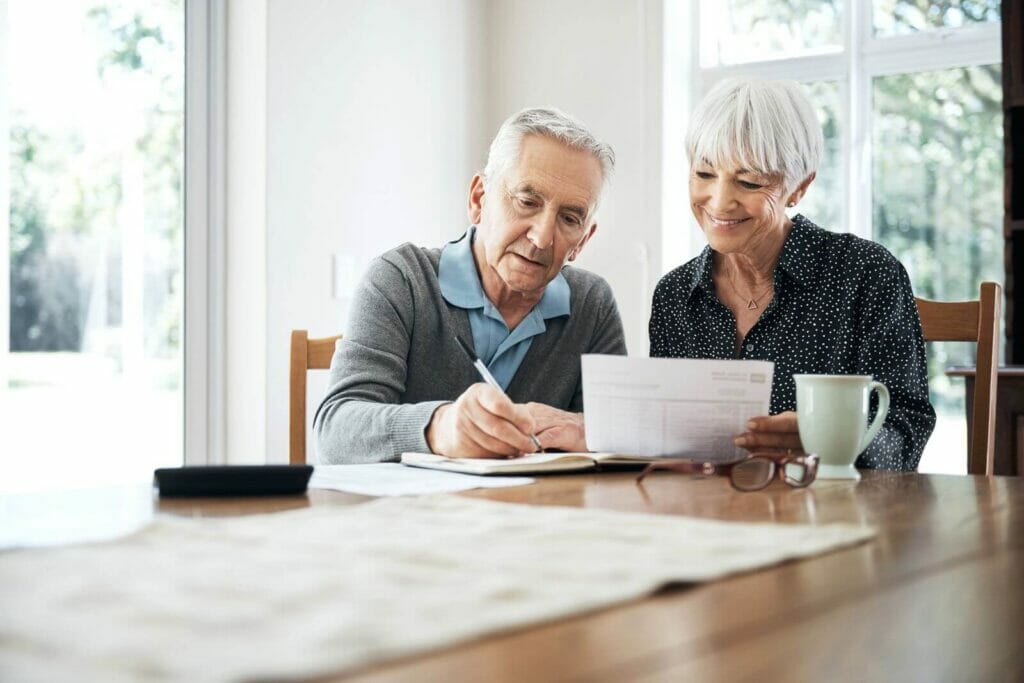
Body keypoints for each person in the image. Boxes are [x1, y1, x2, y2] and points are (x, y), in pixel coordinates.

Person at [649, 78, 935, 470]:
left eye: (748, 182)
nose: (718, 201)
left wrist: (831, 440)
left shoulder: (867, 274)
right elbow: (668, 439)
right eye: (704, 174)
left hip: (831, 515)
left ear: (799, 187)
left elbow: (906, 433)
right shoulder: (675, 295)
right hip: (708, 516)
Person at [315, 107, 627, 464]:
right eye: (527, 202)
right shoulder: (401, 280)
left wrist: (588, 430)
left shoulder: (592, 303)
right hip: (410, 516)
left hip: (540, 513)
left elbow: (618, 439)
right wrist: (439, 428)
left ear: (582, 241)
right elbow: (334, 433)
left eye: (569, 218)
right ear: (478, 199)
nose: (542, 237)